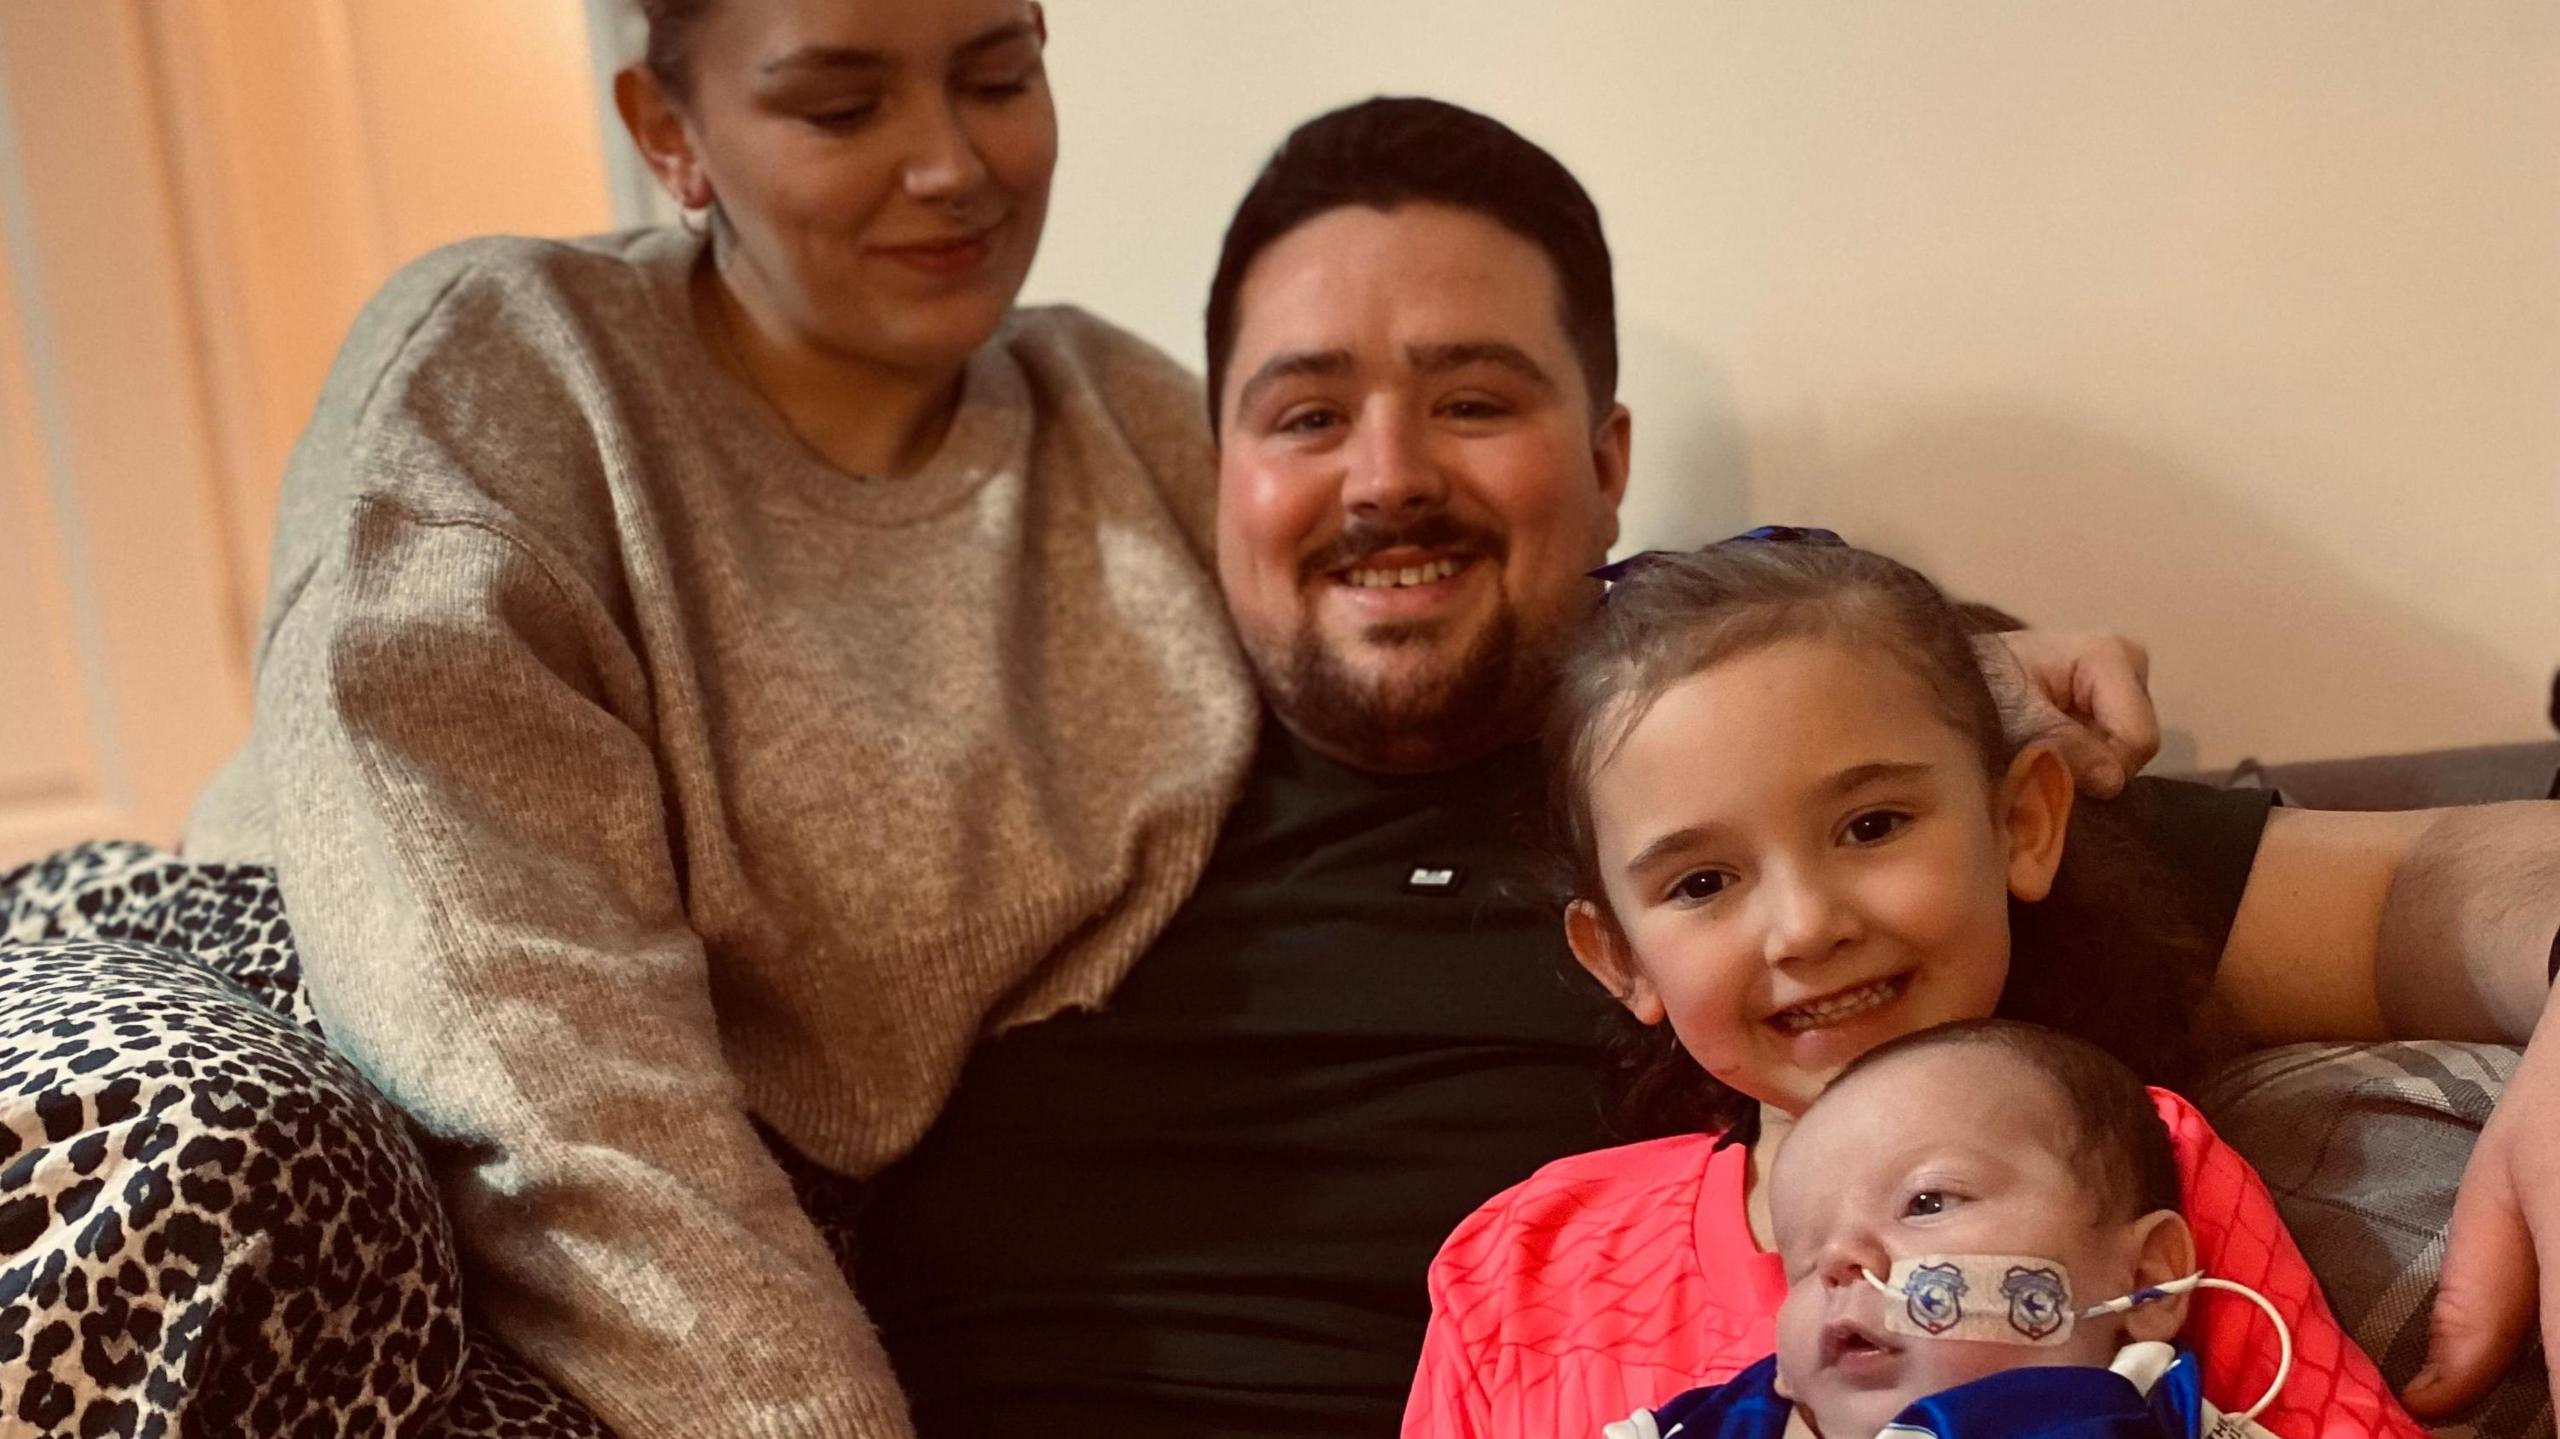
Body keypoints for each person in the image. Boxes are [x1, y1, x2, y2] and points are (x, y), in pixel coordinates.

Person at [5, 0, 1265, 1434]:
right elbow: (514, 1024)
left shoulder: (1136, 430)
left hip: (699, 1224)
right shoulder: (507, 363)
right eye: (843, 110)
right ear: (673, 137)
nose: (953, 167)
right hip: (274, 1026)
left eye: (998, 78)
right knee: (227, 1153)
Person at [1399, 534, 2416, 1437]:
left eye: (1872, 826)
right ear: (1619, 955)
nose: (1805, 924)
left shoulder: (2142, 1165)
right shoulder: (1521, 1270)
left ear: (2021, 822)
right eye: (1702, 881)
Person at [1613, 1021, 2312, 1439]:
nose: (1839, 1264)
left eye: (1926, 1201)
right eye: (1803, 1261)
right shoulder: (1736, 1419)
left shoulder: (2129, 1419)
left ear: (2146, 1281)